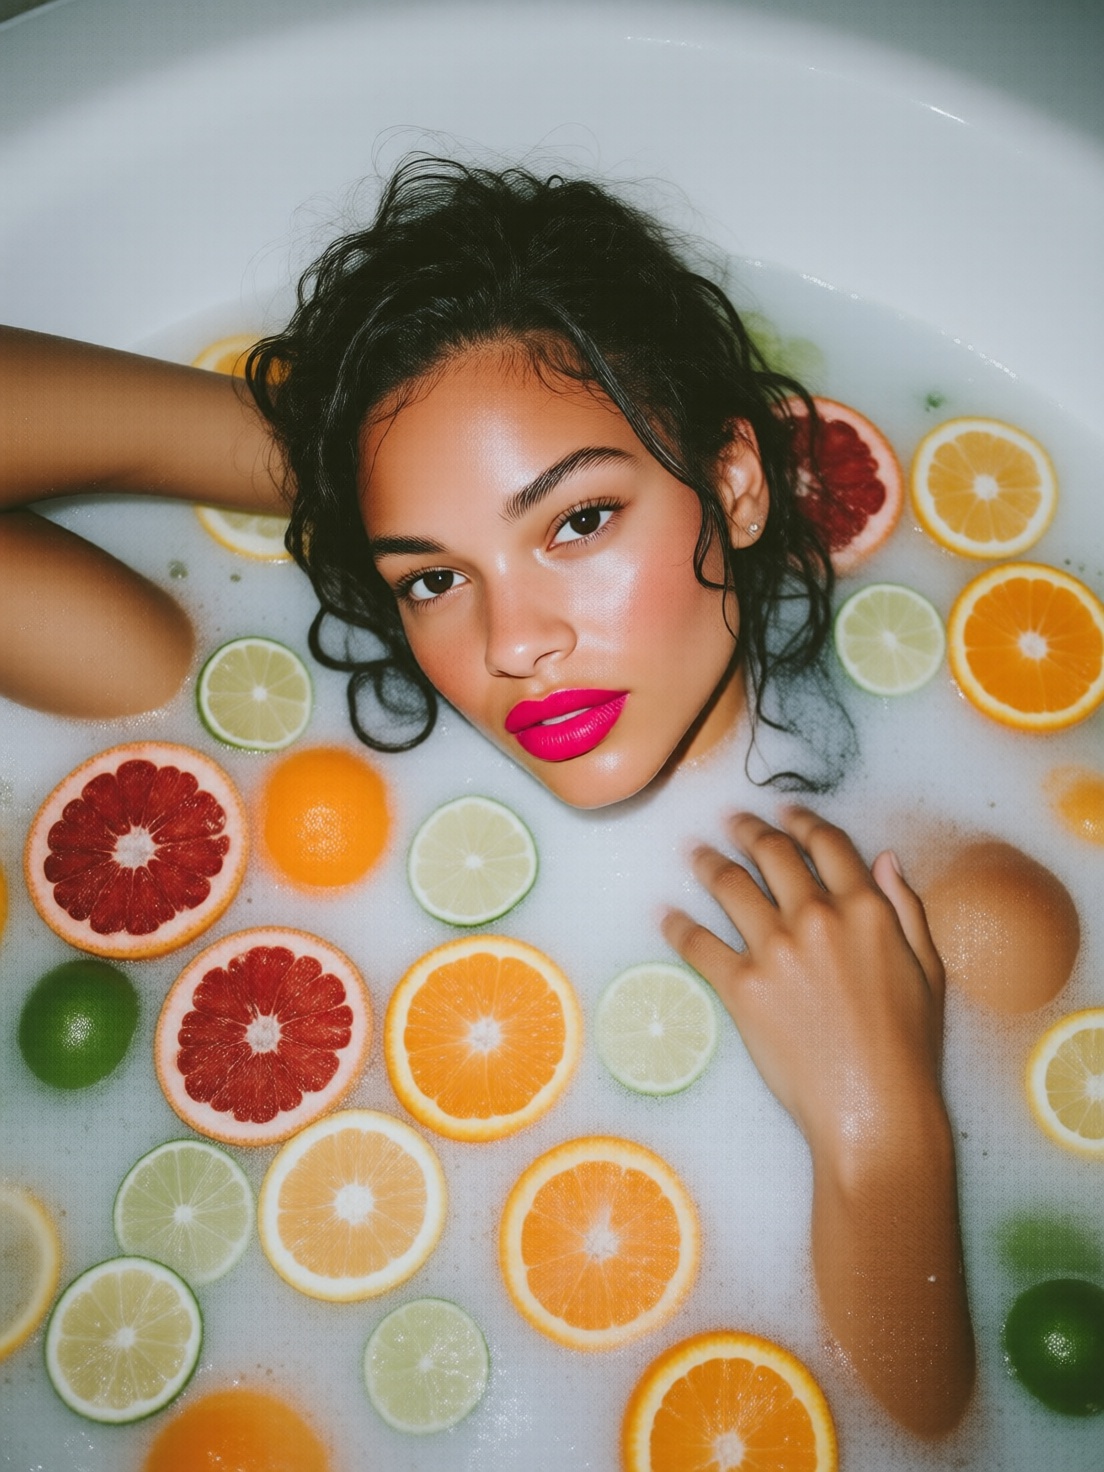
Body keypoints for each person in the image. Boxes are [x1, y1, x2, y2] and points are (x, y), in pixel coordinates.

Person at [0, 157, 974, 1437]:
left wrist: (883, 1130)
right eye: (433, 577)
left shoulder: (947, 895)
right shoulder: (241, 736)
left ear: (737, 487)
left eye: (578, 521)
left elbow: (936, 1439)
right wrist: (357, 468)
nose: (514, 643)